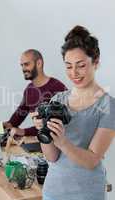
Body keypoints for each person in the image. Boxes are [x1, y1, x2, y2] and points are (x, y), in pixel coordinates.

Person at [33, 26, 115, 200]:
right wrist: (43, 132)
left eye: (81, 66)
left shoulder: (108, 105)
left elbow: (92, 160)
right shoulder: (58, 100)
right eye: (68, 66)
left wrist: (63, 142)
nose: (74, 73)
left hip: (86, 194)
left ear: (96, 62)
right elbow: (52, 157)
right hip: (53, 192)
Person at [3, 49, 67, 136]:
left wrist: (24, 131)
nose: (23, 69)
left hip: (55, 144)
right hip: (40, 141)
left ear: (39, 63)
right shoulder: (29, 89)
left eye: (26, 64)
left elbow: (56, 126)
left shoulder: (57, 88)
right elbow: (17, 118)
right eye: (22, 65)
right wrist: (1, 126)